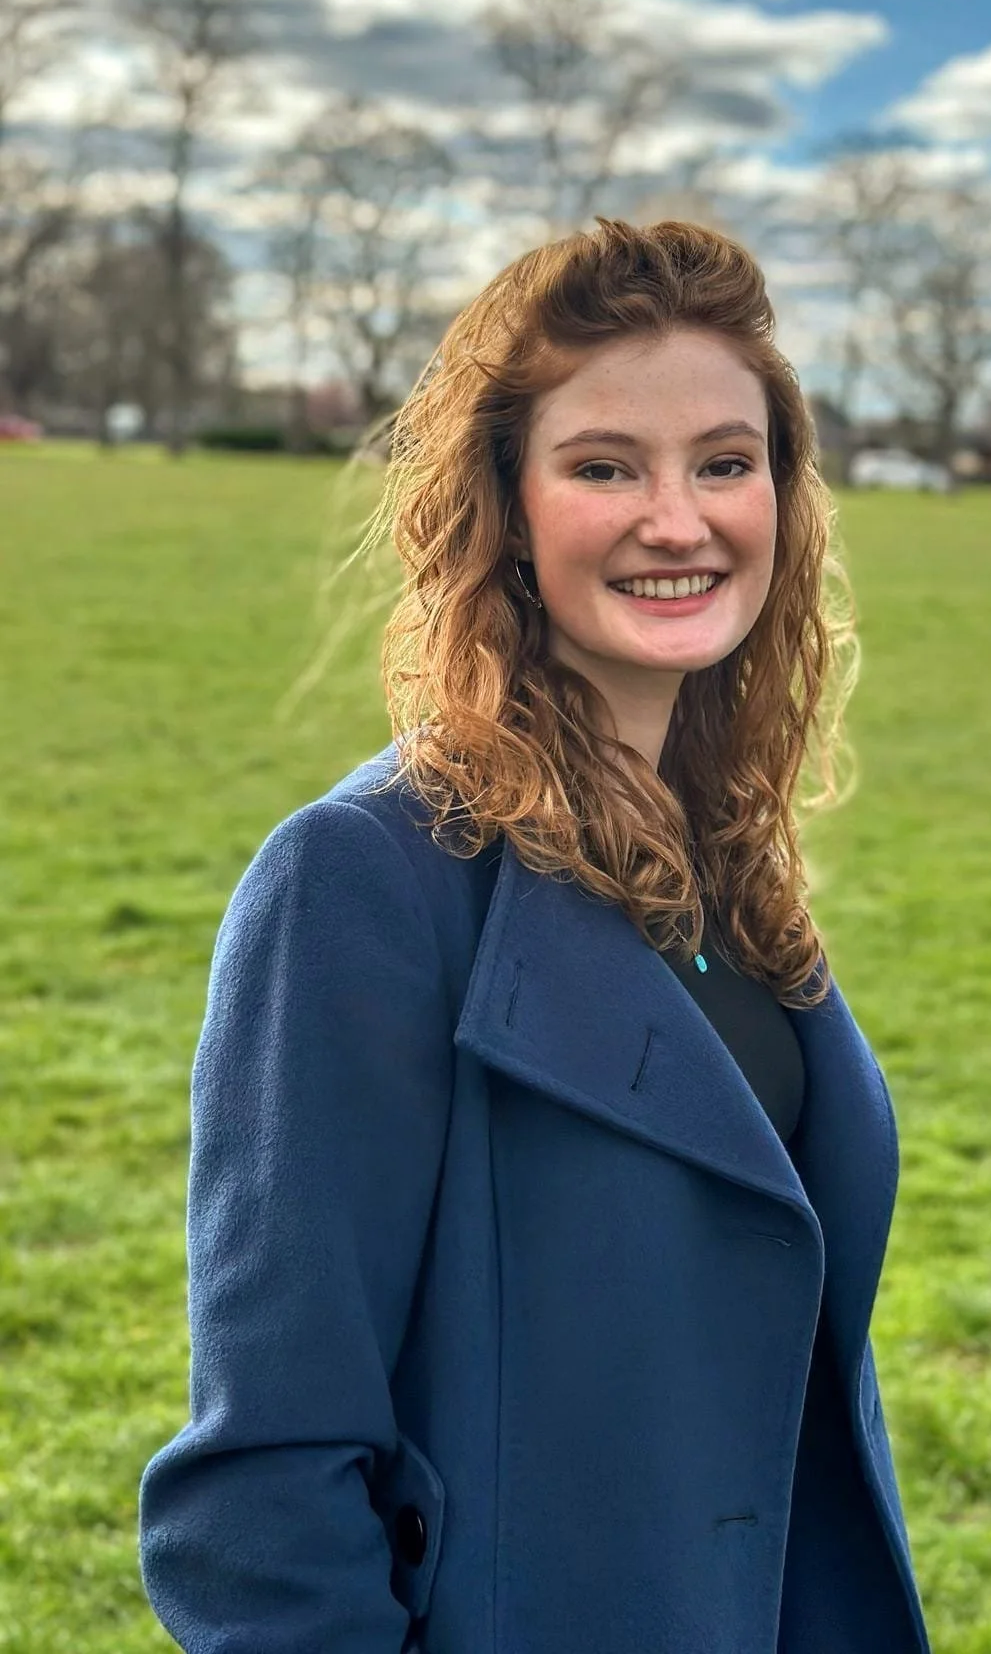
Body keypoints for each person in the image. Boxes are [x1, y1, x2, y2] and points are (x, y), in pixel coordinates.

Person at [138, 218, 932, 1654]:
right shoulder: (365, 881)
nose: (679, 520)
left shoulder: (726, 853)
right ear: (504, 503)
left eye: (725, 464)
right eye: (605, 465)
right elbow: (261, 1483)